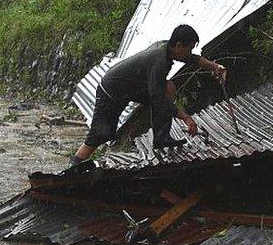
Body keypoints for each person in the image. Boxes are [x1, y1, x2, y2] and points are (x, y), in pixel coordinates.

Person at [69, 24, 227, 168]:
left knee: (169, 87)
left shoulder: (168, 48)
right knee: (101, 133)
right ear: (179, 45)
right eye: (189, 48)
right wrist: (186, 118)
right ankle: (73, 166)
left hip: (128, 90)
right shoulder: (158, 61)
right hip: (111, 91)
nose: (190, 52)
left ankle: (161, 137)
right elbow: (157, 99)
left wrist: (215, 67)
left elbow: (192, 59)